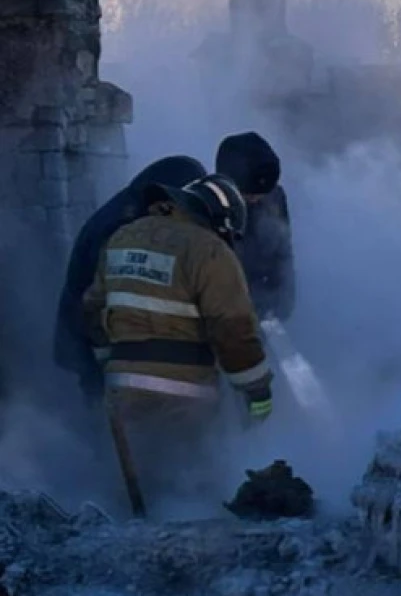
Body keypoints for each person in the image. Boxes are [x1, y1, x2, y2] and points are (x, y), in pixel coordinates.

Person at [82, 174, 274, 498]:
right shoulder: (209, 250)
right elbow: (232, 328)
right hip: (185, 392)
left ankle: (131, 538)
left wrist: (109, 363)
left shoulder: (122, 237)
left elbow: (92, 309)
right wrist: (257, 390)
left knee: (140, 483)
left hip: (121, 387)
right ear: (219, 219)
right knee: (189, 480)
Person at [54, 156, 208, 402]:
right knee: (104, 410)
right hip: (92, 344)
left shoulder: (128, 209)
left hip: (92, 340)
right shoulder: (122, 227)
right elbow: (103, 303)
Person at [215, 132, 296, 322]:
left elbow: (283, 250)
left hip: (260, 296)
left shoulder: (274, 198)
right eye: (250, 195)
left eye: (263, 193)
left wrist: (284, 296)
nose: (257, 200)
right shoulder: (210, 205)